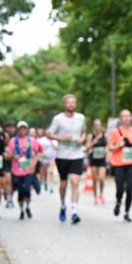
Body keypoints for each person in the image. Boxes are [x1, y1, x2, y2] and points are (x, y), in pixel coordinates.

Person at [48, 94, 87, 224]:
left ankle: (74, 212)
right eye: (68, 103)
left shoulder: (81, 118)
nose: (71, 105)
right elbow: (49, 134)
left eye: (73, 102)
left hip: (77, 154)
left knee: (75, 182)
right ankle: (63, 205)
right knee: (63, 184)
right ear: (65, 104)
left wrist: (82, 139)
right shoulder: (58, 119)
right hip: (62, 155)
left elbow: (84, 131)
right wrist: (61, 138)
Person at [108, 109, 132, 221]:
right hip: (118, 164)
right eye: (124, 116)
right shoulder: (115, 132)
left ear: (131, 118)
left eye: (128, 116)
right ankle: (118, 201)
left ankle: (127, 212)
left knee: (129, 188)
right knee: (120, 189)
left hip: (131, 164)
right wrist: (119, 145)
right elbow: (110, 147)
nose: (126, 118)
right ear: (120, 118)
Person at [6, 121, 43, 220]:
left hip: (28, 170)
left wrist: (34, 162)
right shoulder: (13, 141)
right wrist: (13, 156)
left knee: (27, 189)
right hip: (16, 170)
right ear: (18, 130)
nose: (22, 130)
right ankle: (21, 210)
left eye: (24, 128)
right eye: (21, 128)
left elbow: (39, 151)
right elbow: (8, 154)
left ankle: (27, 206)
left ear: (27, 130)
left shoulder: (32, 140)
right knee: (20, 192)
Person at [86, 118, 109, 203]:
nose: (97, 127)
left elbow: (108, 145)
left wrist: (106, 149)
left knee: (102, 178)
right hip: (93, 159)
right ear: (93, 126)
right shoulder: (90, 136)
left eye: (99, 125)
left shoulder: (104, 135)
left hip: (102, 159)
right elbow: (87, 147)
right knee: (95, 179)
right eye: (96, 125)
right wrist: (93, 142)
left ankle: (101, 193)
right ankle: (95, 196)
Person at [36, 127, 57, 193]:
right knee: (43, 172)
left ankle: (51, 186)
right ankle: (43, 183)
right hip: (43, 158)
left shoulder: (55, 140)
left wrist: (52, 144)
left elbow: (56, 148)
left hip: (52, 158)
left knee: (51, 171)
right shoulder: (42, 140)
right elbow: (38, 149)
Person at [2, 120, 17, 208]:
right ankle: (9, 199)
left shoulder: (17, 138)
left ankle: (9, 194)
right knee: (7, 179)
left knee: (14, 182)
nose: (10, 129)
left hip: (15, 162)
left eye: (12, 127)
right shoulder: (2, 137)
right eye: (8, 127)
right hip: (5, 162)